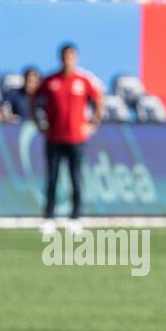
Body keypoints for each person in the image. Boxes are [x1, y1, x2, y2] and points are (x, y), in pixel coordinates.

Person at [34, 44, 102, 235]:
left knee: (76, 178)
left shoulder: (84, 80)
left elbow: (98, 101)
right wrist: (39, 123)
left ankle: (75, 217)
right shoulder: (50, 81)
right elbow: (34, 99)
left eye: (71, 56)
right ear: (60, 58)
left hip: (76, 139)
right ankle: (48, 217)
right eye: (65, 56)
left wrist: (92, 124)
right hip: (54, 137)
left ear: (76, 58)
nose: (68, 60)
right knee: (52, 178)